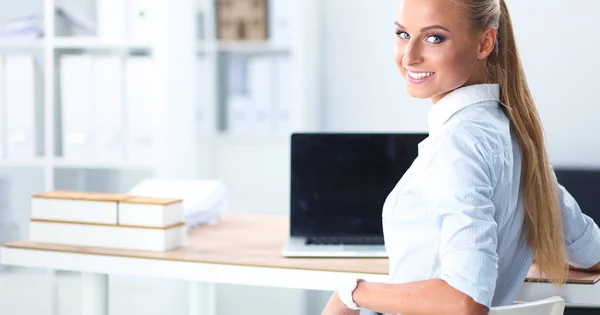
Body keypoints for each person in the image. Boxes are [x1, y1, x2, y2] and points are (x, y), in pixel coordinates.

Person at [321, 0, 600, 314]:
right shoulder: (515, 135)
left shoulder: (459, 144)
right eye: (402, 34)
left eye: (434, 38)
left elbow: (464, 301)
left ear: (485, 43)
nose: (409, 57)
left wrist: (353, 293)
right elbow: (592, 253)